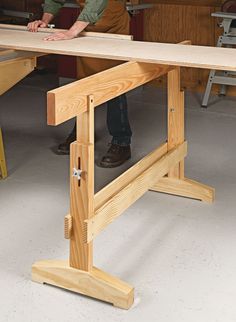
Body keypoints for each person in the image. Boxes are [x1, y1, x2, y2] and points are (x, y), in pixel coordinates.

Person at [27, 0, 132, 168]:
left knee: (114, 84)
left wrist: (72, 32)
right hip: (87, 27)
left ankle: (122, 142)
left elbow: (97, 2)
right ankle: (81, 133)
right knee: (84, 84)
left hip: (114, 28)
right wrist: (45, 21)